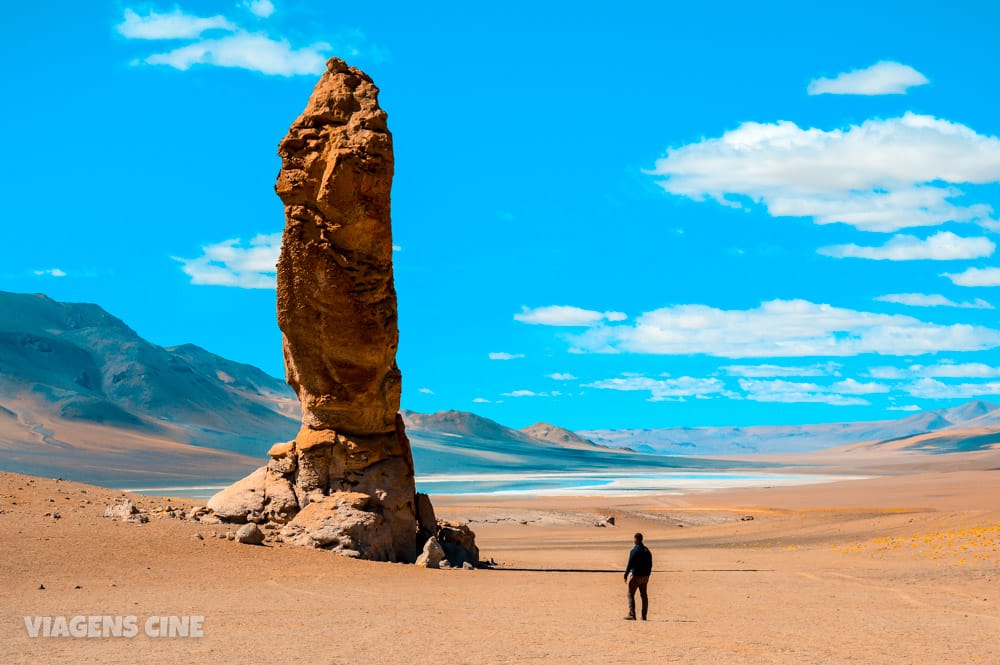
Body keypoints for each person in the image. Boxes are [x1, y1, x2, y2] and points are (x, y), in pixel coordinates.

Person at [623, 532, 652, 620]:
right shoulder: (647, 550)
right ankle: (644, 616)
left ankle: (632, 614)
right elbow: (650, 564)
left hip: (636, 576)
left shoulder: (634, 550)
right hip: (645, 576)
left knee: (630, 594)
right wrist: (647, 574)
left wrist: (626, 574)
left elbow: (630, 563)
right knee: (644, 595)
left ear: (636, 539)